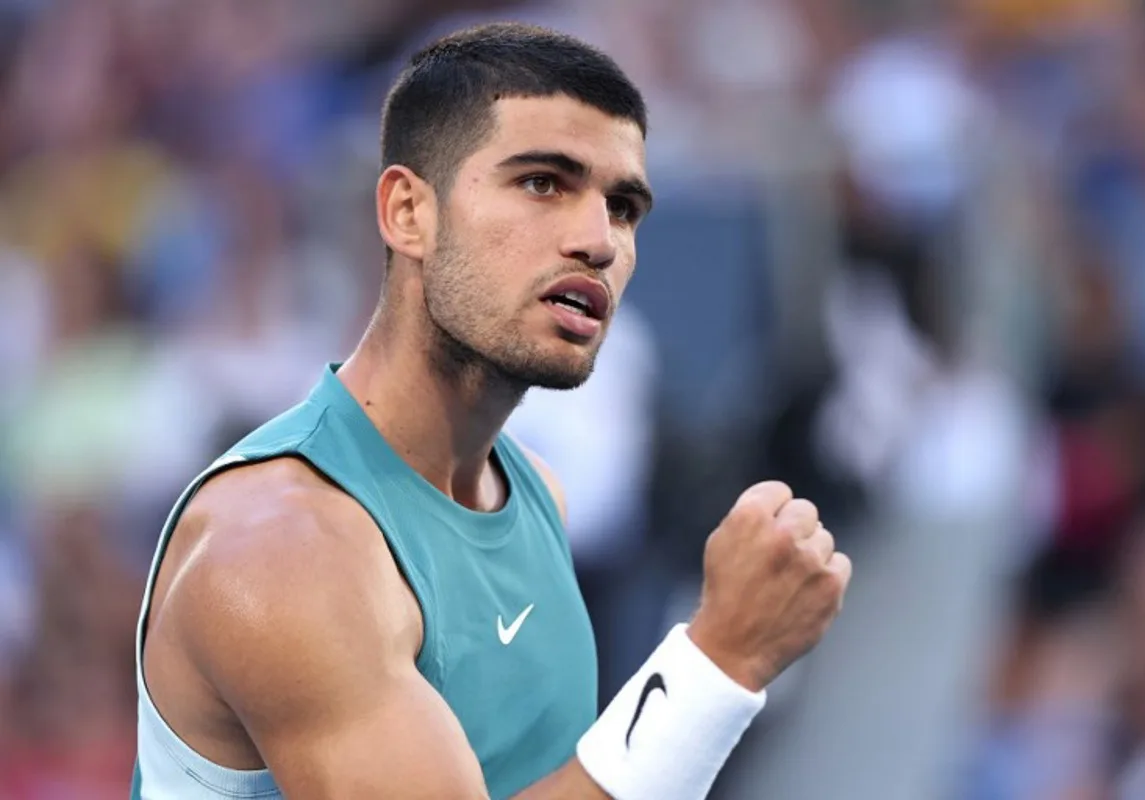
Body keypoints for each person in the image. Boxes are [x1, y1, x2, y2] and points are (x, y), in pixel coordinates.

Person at [132, 22, 852, 800]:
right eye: (543, 182)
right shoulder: (281, 549)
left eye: (623, 206)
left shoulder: (539, 494)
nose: (598, 241)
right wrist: (720, 662)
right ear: (409, 211)